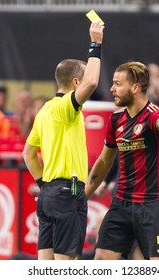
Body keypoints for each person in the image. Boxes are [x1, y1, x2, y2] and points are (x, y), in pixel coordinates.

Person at [85, 61, 159, 260]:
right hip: (122, 203)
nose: (112, 89)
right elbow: (104, 162)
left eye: (117, 84)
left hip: (153, 205)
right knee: (101, 261)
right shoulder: (115, 119)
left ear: (136, 87)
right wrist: (83, 198)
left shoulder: (154, 115)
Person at [22, 21, 104, 260]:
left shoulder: (45, 110)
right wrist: (95, 44)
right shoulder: (65, 109)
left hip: (48, 196)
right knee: (67, 265)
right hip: (68, 193)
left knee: (46, 265)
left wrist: (44, 185)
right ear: (76, 83)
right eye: (84, 75)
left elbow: (28, 154)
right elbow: (92, 82)